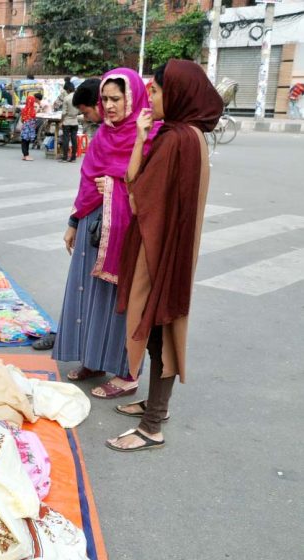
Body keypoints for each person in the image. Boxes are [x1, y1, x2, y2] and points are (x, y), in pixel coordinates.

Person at [107, 60, 221, 452]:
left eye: (155, 90)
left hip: (160, 250)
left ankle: (152, 425)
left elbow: (135, 187)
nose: (149, 97)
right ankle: (157, 405)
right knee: (159, 326)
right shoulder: (190, 134)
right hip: (172, 247)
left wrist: (140, 139)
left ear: (177, 94)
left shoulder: (174, 139)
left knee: (159, 325)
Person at [52, 67, 161, 400]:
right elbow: (87, 181)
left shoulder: (151, 134)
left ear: (132, 98)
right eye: (106, 99)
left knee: (120, 300)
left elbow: (152, 187)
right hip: (93, 225)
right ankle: (94, 359)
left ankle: (127, 373)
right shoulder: (103, 135)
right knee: (89, 294)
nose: (110, 106)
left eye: (117, 98)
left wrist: (115, 185)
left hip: (126, 232)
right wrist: (73, 223)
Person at [19, 94, 38, 162]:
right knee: (27, 142)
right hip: (30, 128)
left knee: (24, 141)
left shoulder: (24, 109)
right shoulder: (33, 110)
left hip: (25, 127)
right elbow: (34, 119)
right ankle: (26, 155)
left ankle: (25, 155)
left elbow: (22, 120)